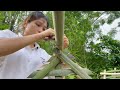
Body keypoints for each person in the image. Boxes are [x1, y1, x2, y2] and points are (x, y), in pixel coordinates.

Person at [0, 11, 69, 79]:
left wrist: (62, 48)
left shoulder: (43, 54)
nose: (40, 30)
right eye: (38, 25)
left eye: (44, 29)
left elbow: (60, 70)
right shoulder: (8, 35)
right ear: (26, 23)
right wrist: (41, 35)